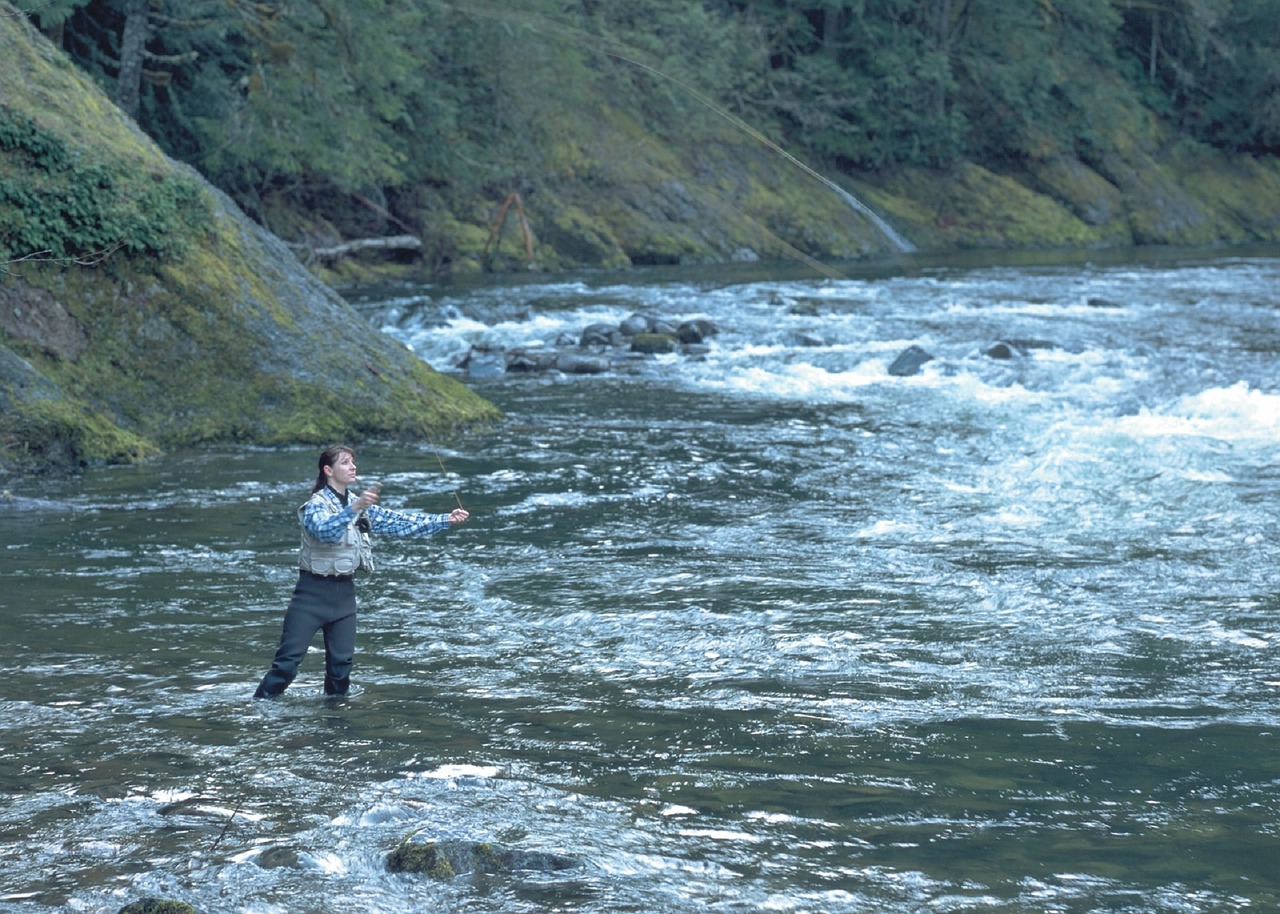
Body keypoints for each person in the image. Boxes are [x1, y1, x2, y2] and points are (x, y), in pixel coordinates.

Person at [253, 444, 469, 699]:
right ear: (328, 470)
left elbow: (399, 522)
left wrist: (445, 519)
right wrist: (354, 509)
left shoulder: (358, 504)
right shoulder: (316, 505)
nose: (352, 466)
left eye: (353, 461)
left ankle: (335, 725)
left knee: (341, 670)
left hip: (344, 597)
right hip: (310, 597)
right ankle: (258, 713)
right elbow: (325, 532)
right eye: (345, 462)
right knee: (286, 666)